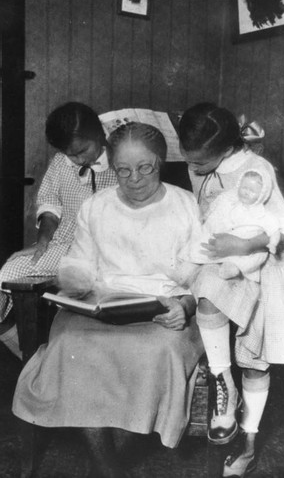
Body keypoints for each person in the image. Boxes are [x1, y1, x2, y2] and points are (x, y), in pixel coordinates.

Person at [12, 122, 204, 478]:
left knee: (158, 351)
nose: (134, 178)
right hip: (99, 306)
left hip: (164, 309)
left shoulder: (185, 205)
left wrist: (186, 306)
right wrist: (72, 285)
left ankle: (109, 464)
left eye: (145, 167)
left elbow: (199, 273)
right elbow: (80, 264)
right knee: (70, 343)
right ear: (111, 167)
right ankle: (108, 467)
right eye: (123, 169)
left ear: (160, 162)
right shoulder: (96, 206)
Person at [178, 103, 284, 478]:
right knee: (207, 287)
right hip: (219, 268)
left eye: (201, 162)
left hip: (262, 268)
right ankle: (221, 380)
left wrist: (241, 247)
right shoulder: (201, 166)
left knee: (253, 361)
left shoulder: (256, 170)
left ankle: (248, 447)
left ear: (226, 149)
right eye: (188, 160)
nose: (193, 168)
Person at [0, 102, 117, 358]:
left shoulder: (121, 160)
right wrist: (43, 240)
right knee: (8, 272)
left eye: (82, 151)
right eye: (70, 154)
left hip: (111, 250)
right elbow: (50, 204)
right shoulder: (61, 163)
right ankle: (33, 360)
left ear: (99, 134)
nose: (78, 160)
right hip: (67, 245)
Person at [174, 168, 281, 286]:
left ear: (262, 194)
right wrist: (205, 216)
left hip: (243, 245)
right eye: (244, 188)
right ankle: (188, 267)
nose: (246, 192)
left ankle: (231, 267)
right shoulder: (230, 200)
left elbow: (274, 230)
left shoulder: (263, 214)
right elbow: (214, 208)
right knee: (202, 246)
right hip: (222, 239)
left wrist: (273, 244)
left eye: (252, 191)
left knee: (251, 258)